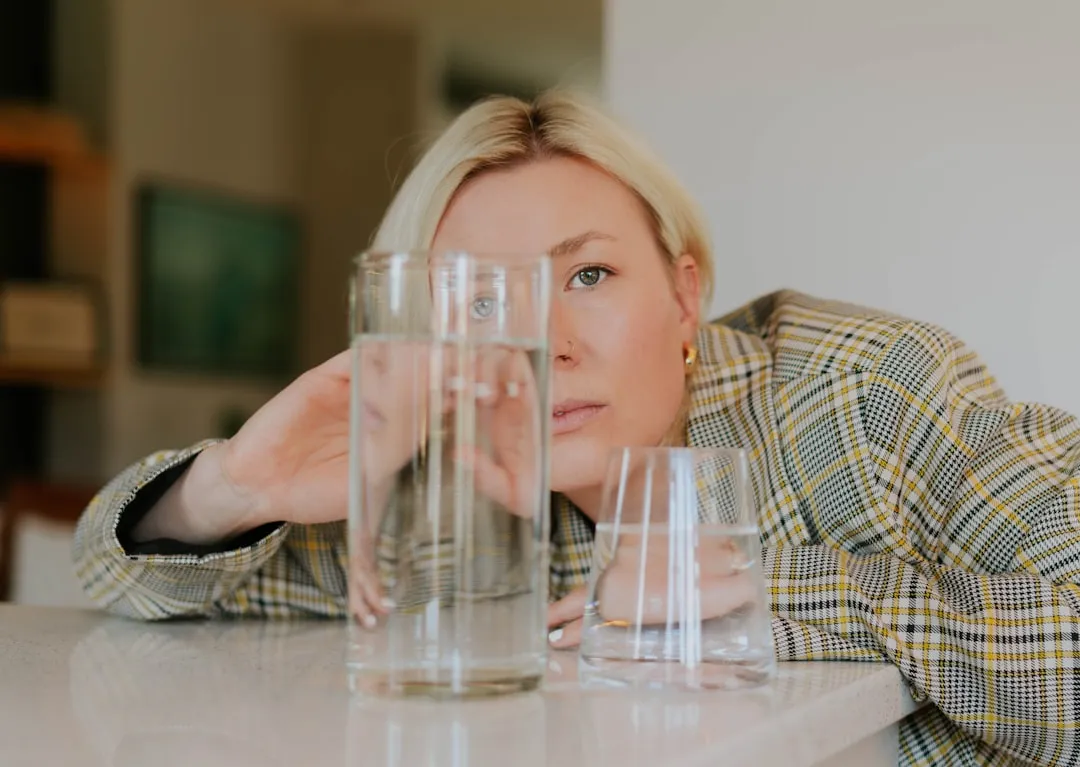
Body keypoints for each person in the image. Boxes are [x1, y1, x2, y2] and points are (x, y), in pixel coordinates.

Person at [73, 91, 1078, 767]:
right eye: (481, 298)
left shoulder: (860, 394)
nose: (539, 341)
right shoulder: (441, 473)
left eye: (587, 275)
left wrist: (767, 587)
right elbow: (117, 588)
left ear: (685, 296)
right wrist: (233, 489)